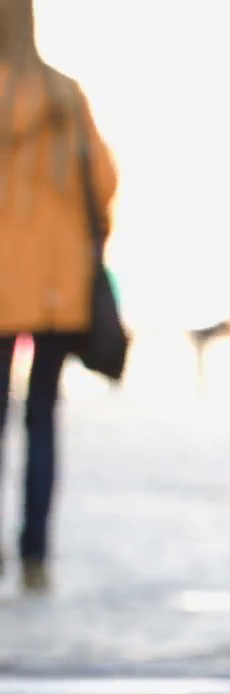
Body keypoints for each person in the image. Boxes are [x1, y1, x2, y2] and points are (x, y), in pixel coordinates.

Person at [0, 0, 116, 593]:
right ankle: (35, 549)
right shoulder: (66, 96)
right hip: (56, 290)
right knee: (42, 416)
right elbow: (104, 179)